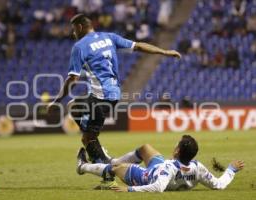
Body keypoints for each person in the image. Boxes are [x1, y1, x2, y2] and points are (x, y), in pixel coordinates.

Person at [47, 13, 181, 185]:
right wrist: (164, 51)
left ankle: (107, 176)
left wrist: (56, 101)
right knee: (75, 107)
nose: (73, 33)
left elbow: (73, 79)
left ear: (80, 27)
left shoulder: (80, 46)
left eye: (74, 29)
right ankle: (98, 150)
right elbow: (138, 46)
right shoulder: (109, 37)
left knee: (87, 138)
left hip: (100, 97)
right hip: (113, 94)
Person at [76, 135, 244, 192]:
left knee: (115, 169)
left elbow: (158, 187)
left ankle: (82, 166)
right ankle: (109, 159)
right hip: (158, 167)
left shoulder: (170, 169)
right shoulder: (197, 167)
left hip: (145, 176)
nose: (175, 146)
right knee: (145, 148)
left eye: (176, 145)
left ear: (177, 151)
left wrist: (129, 189)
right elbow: (219, 185)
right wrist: (231, 170)